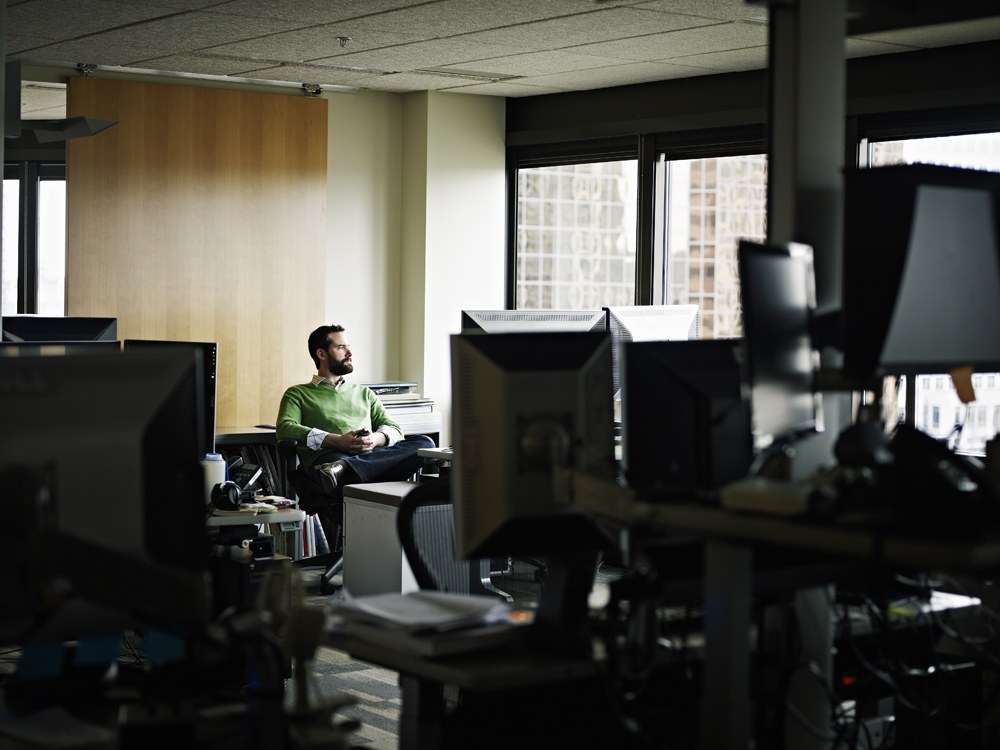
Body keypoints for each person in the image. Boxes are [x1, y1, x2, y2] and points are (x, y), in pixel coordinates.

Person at [276, 324, 434, 495]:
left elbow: (395, 429)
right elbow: (285, 428)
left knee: (424, 443)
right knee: (334, 465)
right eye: (341, 347)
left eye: (348, 347)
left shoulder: (364, 393)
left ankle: (347, 468)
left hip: (367, 459)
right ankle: (344, 467)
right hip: (330, 461)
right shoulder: (298, 394)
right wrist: (337, 441)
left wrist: (373, 439)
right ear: (321, 354)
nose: (350, 353)